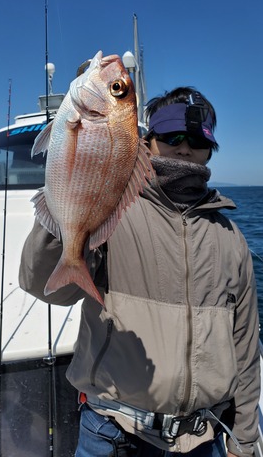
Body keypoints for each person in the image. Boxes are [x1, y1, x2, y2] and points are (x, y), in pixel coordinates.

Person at [19, 86, 260, 457]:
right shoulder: (114, 213)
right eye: (171, 136)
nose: (184, 147)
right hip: (112, 435)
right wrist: (67, 196)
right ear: (146, 140)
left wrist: (244, 438)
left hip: (204, 438)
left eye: (196, 139)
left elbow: (244, 346)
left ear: (210, 148)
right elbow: (46, 288)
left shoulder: (230, 238)